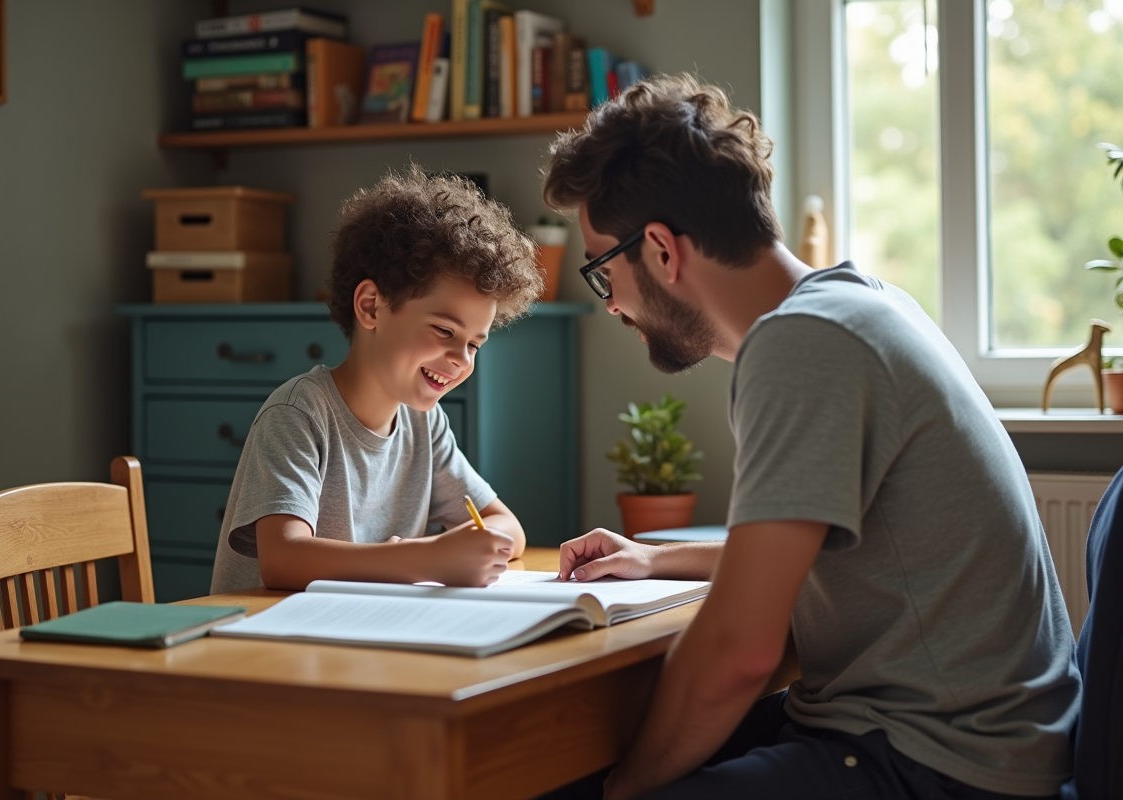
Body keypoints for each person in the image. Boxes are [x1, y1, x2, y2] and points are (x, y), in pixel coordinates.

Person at [543, 74, 1080, 800]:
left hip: (938, 763)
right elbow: (814, 549)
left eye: (605, 275)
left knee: (592, 781)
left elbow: (739, 651)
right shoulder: (859, 304)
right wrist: (654, 558)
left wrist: (627, 789)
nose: (610, 307)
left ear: (663, 251)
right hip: (962, 738)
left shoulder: (804, 344)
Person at [210, 167, 545, 595]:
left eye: (474, 344)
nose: (461, 360)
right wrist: (427, 558)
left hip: (356, 640)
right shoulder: (298, 414)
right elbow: (283, 560)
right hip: (269, 648)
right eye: (444, 331)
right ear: (371, 306)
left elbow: (508, 528)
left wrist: (451, 550)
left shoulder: (425, 425)